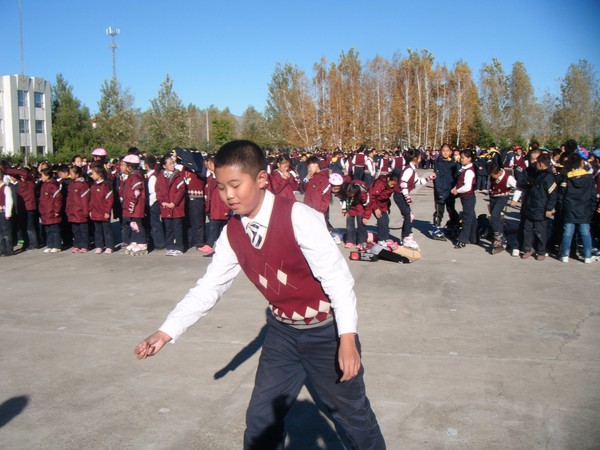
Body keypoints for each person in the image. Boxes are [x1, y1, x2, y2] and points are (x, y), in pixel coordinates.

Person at [135, 140, 385, 450]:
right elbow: (209, 287)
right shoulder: (232, 233)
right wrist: (166, 331)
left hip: (327, 333)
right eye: (221, 187)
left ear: (262, 179)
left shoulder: (299, 217)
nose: (228, 195)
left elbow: (338, 280)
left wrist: (347, 339)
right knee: (261, 418)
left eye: (235, 185)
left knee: (353, 418)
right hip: (283, 335)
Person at [557, 153, 596, 263]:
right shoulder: (589, 178)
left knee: (567, 232)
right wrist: (592, 208)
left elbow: (561, 195)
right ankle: (587, 256)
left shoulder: (567, 178)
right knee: (585, 232)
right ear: (582, 163)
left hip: (569, 208)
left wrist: (560, 208)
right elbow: (593, 195)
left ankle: (565, 255)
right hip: (585, 209)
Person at [393, 148, 435, 250]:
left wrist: (429, 178)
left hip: (402, 195)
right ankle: (406, 238)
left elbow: (417, 181)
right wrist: (407, 197)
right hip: (400, 195)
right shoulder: (409, 169)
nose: (421, 158)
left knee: (409, 216)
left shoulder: (412, 169)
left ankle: (405, 237)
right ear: (415, 158)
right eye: (420, 157)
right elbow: (403, 183)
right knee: (409, 216)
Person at [518, 152, 557, 261]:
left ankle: (541, 251)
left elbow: (553, 194)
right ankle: (528, 248)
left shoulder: (549, 177)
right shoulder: (533, 173)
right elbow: (520, 183)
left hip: (541, 208)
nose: (535, 163)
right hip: (530, 205)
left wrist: (549, 208)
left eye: (537, 161)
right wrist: (527, 182)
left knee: (540, 231)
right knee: (527, 229)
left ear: (540, 163)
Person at [155, 155, 186, 256]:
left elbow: (181, 190)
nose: (172, 165)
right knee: (168, 228)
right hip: (165, 207)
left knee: (177, 228)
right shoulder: (160, 176)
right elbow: (158, 191)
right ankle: (170, 246)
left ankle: (179, 247)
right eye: (170, 164)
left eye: (173, 163)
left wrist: (174, 202)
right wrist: (162, 202)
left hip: (176, 207)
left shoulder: (178, 175)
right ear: (164, 166)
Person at [119, 154, 148, 256]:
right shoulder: (131, 176)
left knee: (138, 224)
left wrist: (132, 204)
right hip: (130, 206)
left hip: (136, 206)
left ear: (130, 166)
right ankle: (135, 241)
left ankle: (142, 243)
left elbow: (137, 192)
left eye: (125, 165)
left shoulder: (136, 176)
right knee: (132, 224)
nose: (123, 167)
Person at [487, 163, 518, 254]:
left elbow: (518, 187)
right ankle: (502, 238)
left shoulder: (508, 178)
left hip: (502, 197)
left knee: (495, 215)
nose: (492, 177)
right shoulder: (491, 176)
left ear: (499, 173)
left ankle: (498, 237)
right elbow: (489, 185)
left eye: (493, 176)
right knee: (496, 219)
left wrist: (515, 199)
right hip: (493, 196)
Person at [431, 144, 460, 241]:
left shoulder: (453, 163)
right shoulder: (438, 162)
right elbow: (437, 179)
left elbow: (457, 176)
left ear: (451, 152)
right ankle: (436, 229)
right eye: (443, 151)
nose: (445, 153)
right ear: (440, 151)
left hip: (450, 191)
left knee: (451, 210)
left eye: (447, 151)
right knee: (439, 211)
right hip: (440, 191)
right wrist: (439, 192)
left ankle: (454, 225)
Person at [451, 149, 477, 249]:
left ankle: (463, 240)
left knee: (467, 219)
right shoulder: (464, 169)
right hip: (465, 197)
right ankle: (474, 237)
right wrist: (455, 187)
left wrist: (457, 190)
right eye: (461, 157)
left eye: (463, 158)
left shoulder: (469, 171)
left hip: (468, 197)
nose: (461, 159)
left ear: (469, 159)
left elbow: (467, 187)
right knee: (471, 217)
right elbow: (460, 182)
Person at [363, 173, 399, 246]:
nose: (392, 186)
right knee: (381, 220)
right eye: (392, 184)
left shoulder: (391, 185)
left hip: (382, 205)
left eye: (394, 185)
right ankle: (381, 240)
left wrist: (387, 207)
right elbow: (372, 196)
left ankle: (385, 238)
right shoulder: (379, 184)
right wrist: (376, 209)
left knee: (386, 220)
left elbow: (385, 197)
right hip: (373, 203)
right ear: (388, 179)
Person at [89, 165, 115, 254]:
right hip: (95, 212)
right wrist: (90, 210)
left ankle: (109, 246)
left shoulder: (106, 185)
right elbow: (91, 199)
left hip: (104, 212)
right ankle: (99, 246)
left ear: (99, 174)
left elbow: (109, 200)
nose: (91, 175)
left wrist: (107, 211)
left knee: (107, 230)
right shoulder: (93, 185)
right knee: (97, 230)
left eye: (93, 173)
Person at [66, 166, 91, 253]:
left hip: (81, 211)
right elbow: (69, 199)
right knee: (75, 230)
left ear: (77, 174)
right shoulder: (71, 184)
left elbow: (85, 199)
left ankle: (85, 245)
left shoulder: (83, 185)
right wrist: (68, 209)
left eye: (71, 173)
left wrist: (85, 211)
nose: (70, 175)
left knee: (83, 230)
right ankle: (77, 245)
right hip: (73, 211)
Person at [38, 167, 63, 253]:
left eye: (42, 175)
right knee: (48, 230)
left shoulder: (53, 185)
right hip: (45, 212)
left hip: (52, 211)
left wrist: (57, 210)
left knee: (55, 230)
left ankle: (57, 245)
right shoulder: (43, 185)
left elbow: (58, 198)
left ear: (47, 176)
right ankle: (50, 245)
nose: (41, 177)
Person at [340, 180, 370, 249]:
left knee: (361, 223)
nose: (352, 195)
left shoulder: (362, 193)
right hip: (350, 206)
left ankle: (361, 241)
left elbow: (368, 205)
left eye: (353, 194)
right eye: (350, 194)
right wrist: (345, 210)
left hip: (360, 206)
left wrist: (366, 217)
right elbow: (343, 201)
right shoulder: (344, 192)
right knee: (349, 224)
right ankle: (350, 240)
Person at [145, 155, 166, 251]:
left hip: (154, 203)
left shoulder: (152, 177)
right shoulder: (155, 174)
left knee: (155, 223)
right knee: (155, 222)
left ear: (146, 165)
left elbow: (153, 192)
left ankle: (159, 242)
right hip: (155, 202)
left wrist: (151, 203)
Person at [0, 168, 14, 256]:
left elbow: (9, 200)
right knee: (0, 233)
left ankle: (9, 249)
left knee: (6, 232)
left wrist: (8, 213)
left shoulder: (6, 187)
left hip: (4, 212)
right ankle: (2, 249)